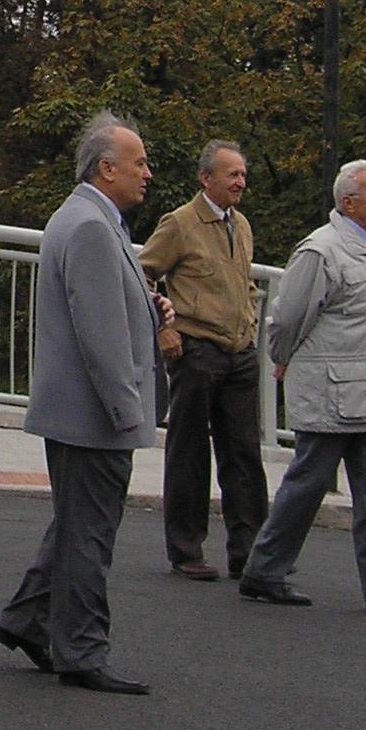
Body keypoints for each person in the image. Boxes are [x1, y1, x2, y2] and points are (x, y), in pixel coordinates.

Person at [0, 112, 161, 693]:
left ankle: (28, 620)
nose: (147, 173)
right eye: (139, 163)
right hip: (93, 418)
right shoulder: (91, 226)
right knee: (89, 536)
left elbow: (106, 309)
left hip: (80, 414)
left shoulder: (84, 217)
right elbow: (101, 337)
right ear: (106, 168)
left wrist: (149, 309)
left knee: (73, 527)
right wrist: (127, 410)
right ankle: (82, 651)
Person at [238, 159, 366, 617]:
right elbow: (287, 317)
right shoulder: (321, 251)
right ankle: (264, 572)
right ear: (348, 203)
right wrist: (281, 357)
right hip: (331, 396)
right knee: (306, 486)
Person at [140, 140, 270, 582]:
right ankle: (186, 549)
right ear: (205, 178)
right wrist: (163, 327)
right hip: (196, 350)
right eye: (232, 174)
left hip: (238, 352)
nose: (240, 182)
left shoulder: (241, 225)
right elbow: (143, 273)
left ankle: (250, 552)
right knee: (190, 452)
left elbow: (244, 281)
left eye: (243, 174)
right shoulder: (180, 223)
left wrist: (249, 321)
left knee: (244, 455)